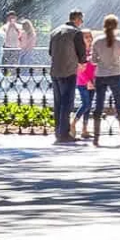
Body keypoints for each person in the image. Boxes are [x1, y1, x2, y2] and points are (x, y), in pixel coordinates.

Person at [47, 10, 89, 144]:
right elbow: (82, 53)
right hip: (69, 71)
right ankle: (64, 134)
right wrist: (82, 64)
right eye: (81, 20)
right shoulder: (76, 32)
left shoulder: (55, 31)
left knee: (58, 102)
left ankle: (58, 133)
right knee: (67, 103)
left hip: (55, 72)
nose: (81, 23)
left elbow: (50, 52)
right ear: (77, 19)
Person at [90, 14, 120, 147]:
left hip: (101, 74)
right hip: (115, 74)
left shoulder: (97, 41)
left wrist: (101, 60)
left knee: (99, 105)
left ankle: (96, 138)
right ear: (116, 26)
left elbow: (93, 60)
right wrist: (117, 60)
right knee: (119, 104)